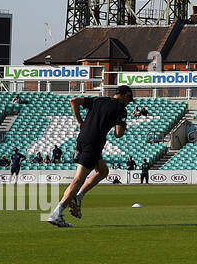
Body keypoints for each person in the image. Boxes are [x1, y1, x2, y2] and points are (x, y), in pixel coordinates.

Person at [45, 85, 135, 228]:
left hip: (82, 139)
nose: (128, 103)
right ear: (125, 95)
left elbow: (74, 101)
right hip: (94, 143)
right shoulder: (121, 109)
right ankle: (57, 213)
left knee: (103, 171)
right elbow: (118, 134)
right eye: (129, 100)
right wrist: (124, 126)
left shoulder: (99, 100)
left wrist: (80, 122)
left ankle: (78, 197)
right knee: (78, 179)